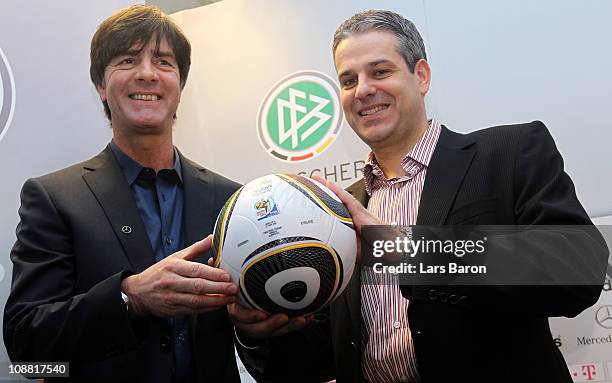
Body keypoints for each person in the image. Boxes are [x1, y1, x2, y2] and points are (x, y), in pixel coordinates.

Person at [230, 9, 609, 383]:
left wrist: (401, 249)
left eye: (380, 71)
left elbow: (577, 269)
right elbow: (318, 361)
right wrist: (260, 331)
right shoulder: (335, 211)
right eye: (348, 80)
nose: (362, 90)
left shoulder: (509, 152)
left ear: (421, 76)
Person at [3, 5, 241, 382]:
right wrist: (131, 298)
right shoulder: (54, 198)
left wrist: (260, 326)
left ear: (180, 84)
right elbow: (25, 344)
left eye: (163, 62)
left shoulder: (231, 200)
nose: (147, 73)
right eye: (128, 59)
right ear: (101, 83)